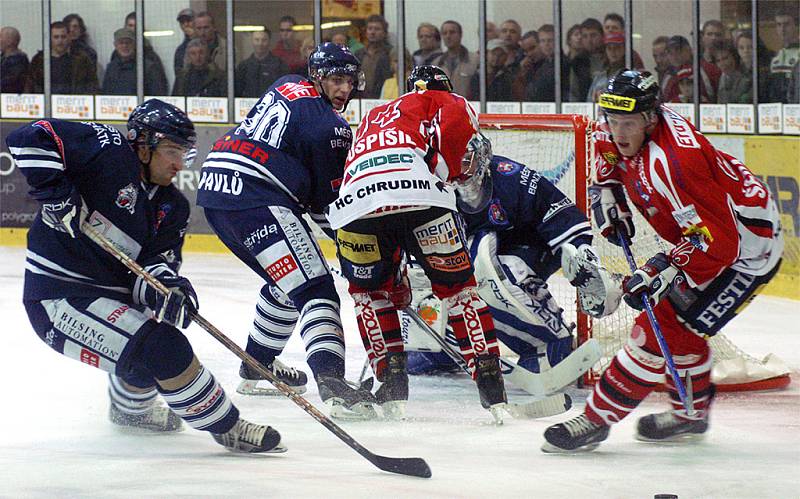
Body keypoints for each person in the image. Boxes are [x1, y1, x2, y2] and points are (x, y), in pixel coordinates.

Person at [5, 99, 285, 454]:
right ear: (142, 144)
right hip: (58, 298)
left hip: (108, 296)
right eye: (171, 150)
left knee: (144, 350)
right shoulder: (106, 149)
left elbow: (155, 264)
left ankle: (130, 411)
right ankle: (228, 427)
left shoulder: (172, 207)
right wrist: (57, 192)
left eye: (184, 153)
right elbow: (30, 136)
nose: (178, 163)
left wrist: (169, 289)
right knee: (164, 349)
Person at [542, 70, 783, 453]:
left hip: (748, 251)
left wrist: (661, 267)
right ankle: (690, 415)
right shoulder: (620, 125)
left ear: (651, 119)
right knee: (679, 329)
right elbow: (608, 157)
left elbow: (720, 244)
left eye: (629, 124)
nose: (619, 132)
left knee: (656, 331)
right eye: (613, 121)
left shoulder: (673, 164)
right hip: (713, 235)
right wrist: (609, 195)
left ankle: (596, 419)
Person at [197, 43, 376, 419]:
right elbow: (326, 208)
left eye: (349, 81)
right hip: (256, 195)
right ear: (318, 78)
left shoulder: (287, 83)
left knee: (288, 282)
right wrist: (352, 248)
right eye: (336, 80)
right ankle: (334, 386)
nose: (344, 89)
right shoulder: (333, 129)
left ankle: (255, 366)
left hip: (216, 190)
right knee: (315, 289)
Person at [325, 65, 508, 420]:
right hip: (422, 198)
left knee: (370, 295)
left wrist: (394, 276)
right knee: (459, 293)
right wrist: (452, 175)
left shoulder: (373, 115)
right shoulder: (445, 99)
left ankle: (391, 385)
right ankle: (492, 389)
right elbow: (456, 145)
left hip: (355, 207)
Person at [26, 21, 98, 94]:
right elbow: (30, 88)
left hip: (73, 104)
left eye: (63, 37)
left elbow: (92, 86)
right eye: (56, 37)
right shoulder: (39, 60)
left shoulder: (82, 60)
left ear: (69, 37)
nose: (60, 41)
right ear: (49, 39)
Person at [102, 28, 168, 95]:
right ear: (115, 45)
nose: (124, 46)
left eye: (128, 42)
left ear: (135, 44)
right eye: (121, 43)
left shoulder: (148, 68)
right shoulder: (111, 68)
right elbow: (106, 93)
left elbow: (157, 94)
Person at [235, 28, 289, 98]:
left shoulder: (280, 65)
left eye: (264, 40)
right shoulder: (243, 66)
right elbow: (237, 92)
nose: (260, 43)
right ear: (252, 41)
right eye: (257, 40)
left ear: (269, 41)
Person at [433, 20, 478, 100]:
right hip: (444, 108)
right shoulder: (436, 64)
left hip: (467, 107)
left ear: (460, 35)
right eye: (444, 33)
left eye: (452, 32)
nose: (448, 36)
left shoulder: (475, 60)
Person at [355, 14, 393, 98]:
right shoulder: (358, 54)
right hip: (361, 100)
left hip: (383, 98)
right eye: (370, 29)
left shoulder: (390, 54)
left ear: (384, 33)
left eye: (377, 29)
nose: (372, 32)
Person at [767, 11, 800, 104]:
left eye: (787, 24)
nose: (782, 29)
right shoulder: (775, 56)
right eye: (779, 24)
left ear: (796, 26)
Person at [714, 40, 751, 104]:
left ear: (734, 57)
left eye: (725, 58)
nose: (722, 63)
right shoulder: (721, 77)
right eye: (718, 61)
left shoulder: (747, 77)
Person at [1, 26, 29, 93]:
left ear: (9, 41)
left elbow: (10, 81)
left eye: (0, 37)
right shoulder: (3, 58)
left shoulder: (19, 60)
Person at [173, 8, 195, 75]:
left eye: (188, 20)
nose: (186, 24)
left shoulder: (206, 41)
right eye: (182, 22)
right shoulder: (180, 50)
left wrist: (195, 37)